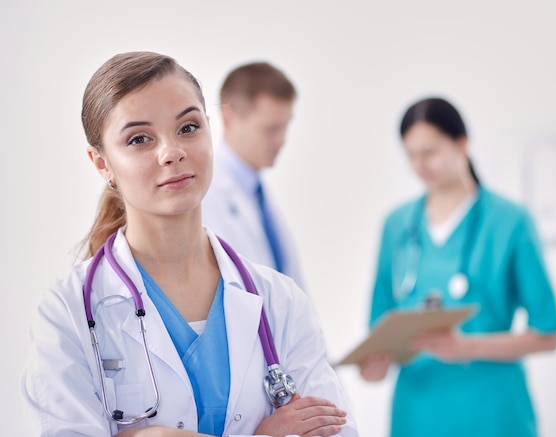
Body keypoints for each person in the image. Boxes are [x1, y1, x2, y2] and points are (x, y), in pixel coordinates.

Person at [20, 51, 358, 437]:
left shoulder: (279, 302)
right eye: (139, 139)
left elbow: (336, 430)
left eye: (188, 127)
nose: (172, 152)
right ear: (102, 164)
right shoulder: (66, 316)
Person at [358, 97, 556, 437]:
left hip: (493, 412)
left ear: (462, 144)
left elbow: (548, 337)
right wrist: (373, 368)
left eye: (430, 152)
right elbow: (379, 331)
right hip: (417, 415)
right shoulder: (397, 226)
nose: (420, 164)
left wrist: (469, 347)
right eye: (411, 155)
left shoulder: (510, 222)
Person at [201, 61, 305, 289]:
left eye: (284, 127)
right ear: (228, 118)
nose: (281, 140)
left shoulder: (258, 193)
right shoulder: (203, 195)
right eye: (270, 129)